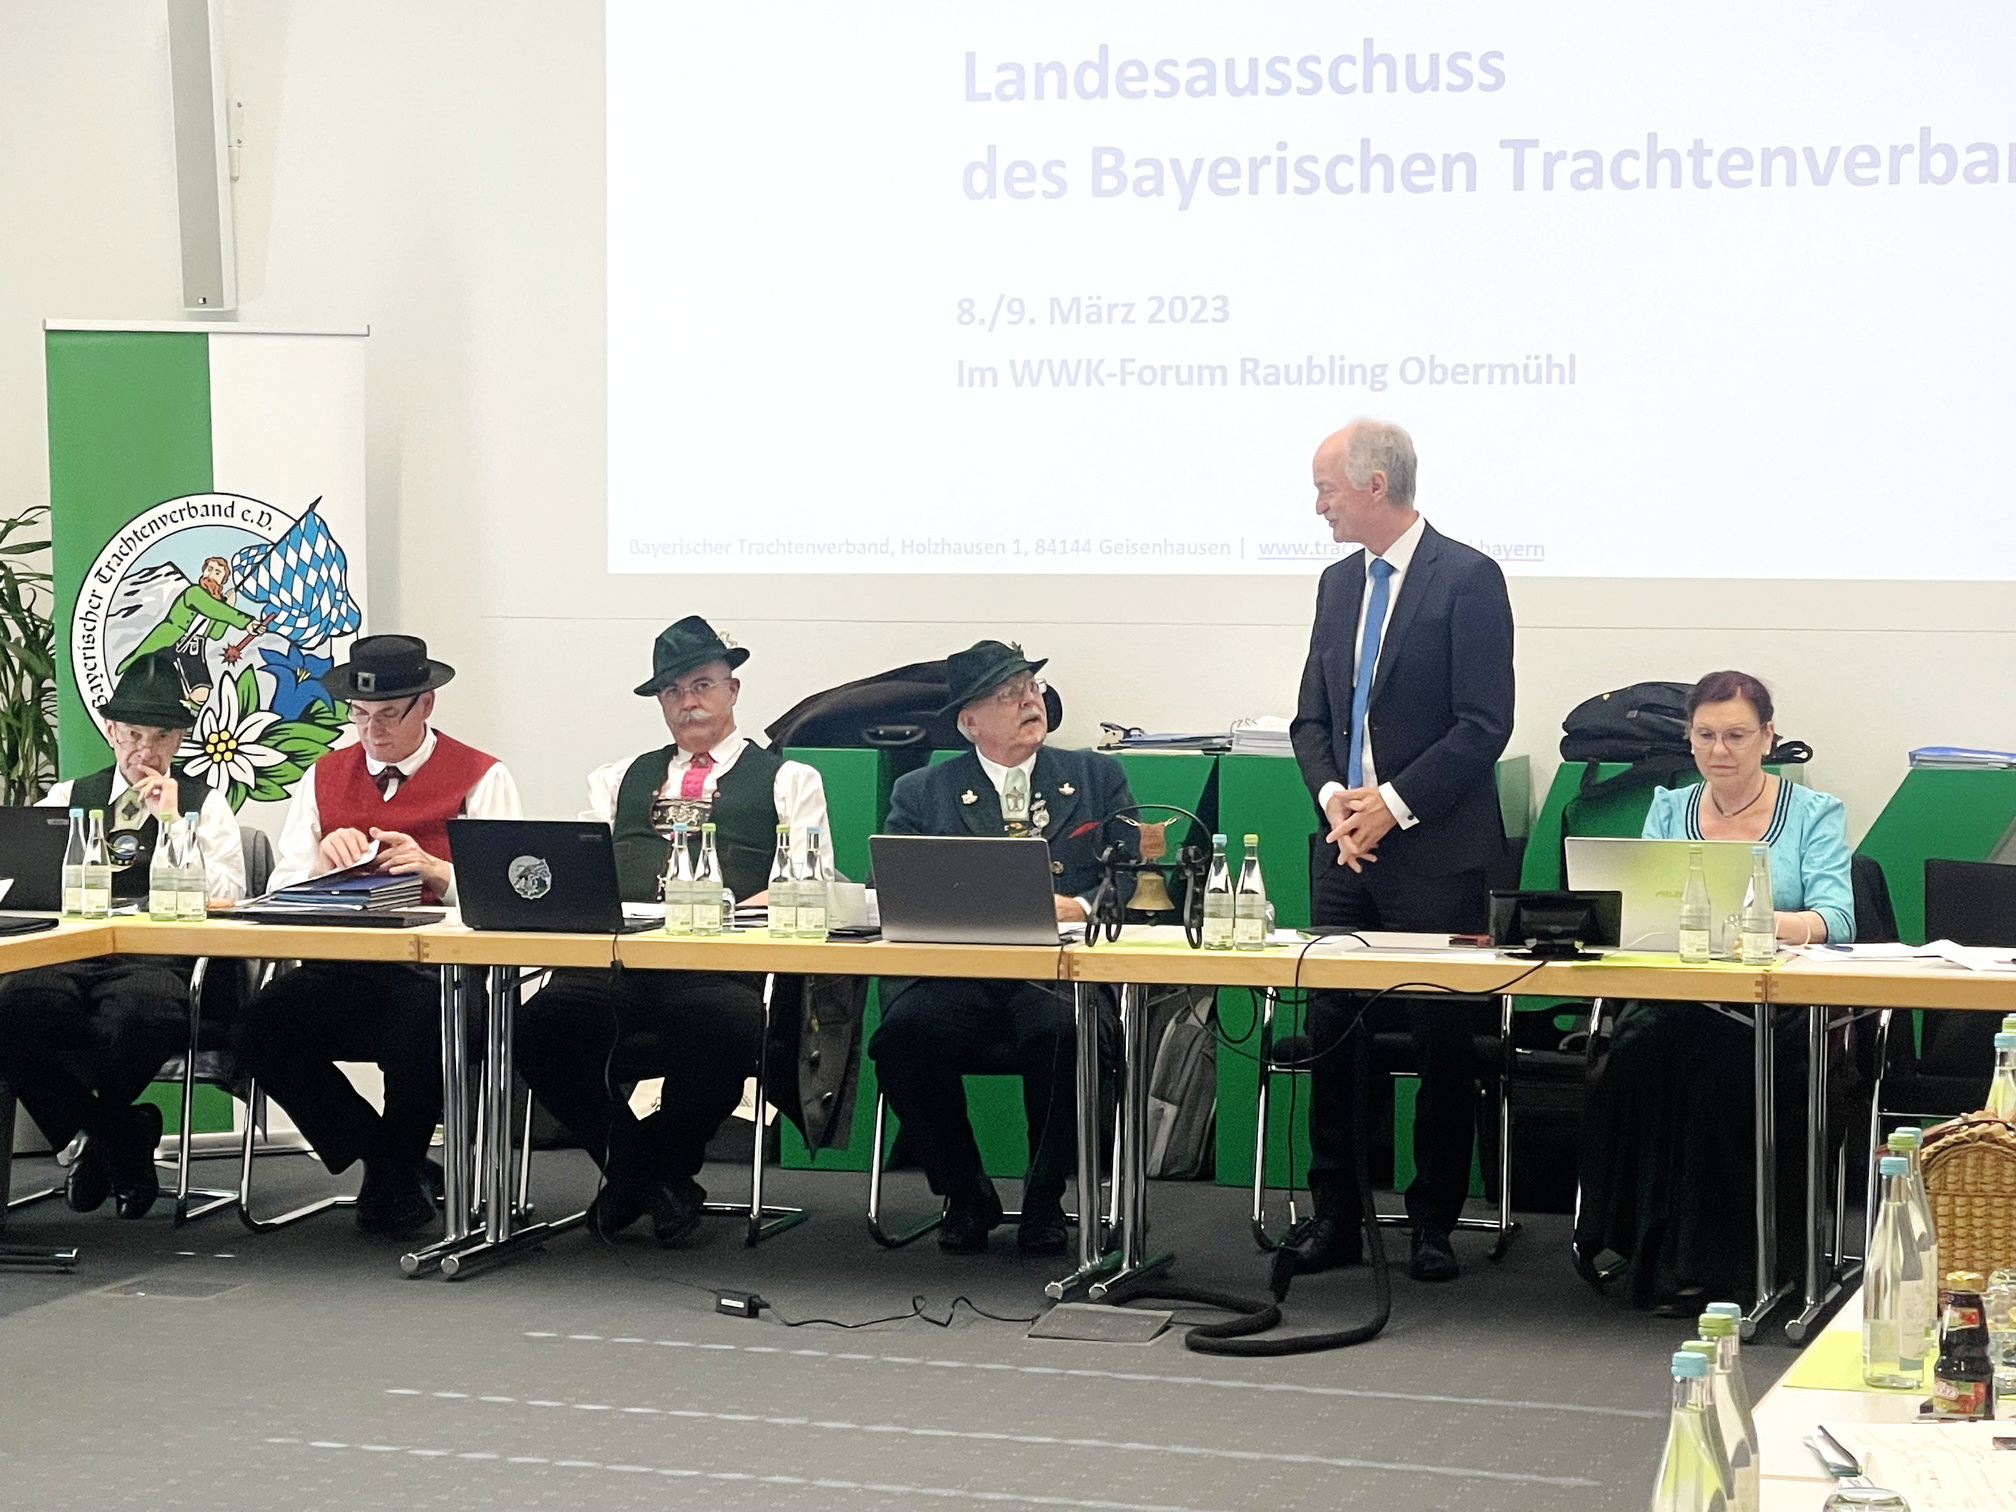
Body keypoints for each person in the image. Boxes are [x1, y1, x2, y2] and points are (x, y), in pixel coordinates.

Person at [514, 616, 860, 1245]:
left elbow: (809, 881)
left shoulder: (788, 779)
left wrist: (734, 908)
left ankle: (644, 1175)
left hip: (716, 967)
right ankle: (644, 1174)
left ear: (733, 690)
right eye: (672, 691)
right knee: (539, 1027)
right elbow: (584, 871)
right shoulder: (617, 777)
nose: (687, 701)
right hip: (614, 965)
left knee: (727, 1025)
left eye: (701, 685)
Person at [1287, 420, 1516, 1283]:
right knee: (1333, 1038)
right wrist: (1336, 805)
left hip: (1436, 855)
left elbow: (1483, 725)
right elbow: (1311, 718)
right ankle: (1336, 1215)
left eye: (1327, 489)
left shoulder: (1468, 578)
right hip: (1345, 852)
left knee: (1439, 1044)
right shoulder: (1336, 584)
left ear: (1374, 484)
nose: (1319, 506)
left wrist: (1392, 805)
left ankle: (1432, 1222)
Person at [1575, 669, 1854, 1312]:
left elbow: (1837, 919)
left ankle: (1720, 1266)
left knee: (1721, 1069)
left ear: (1767, 737)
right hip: (1682, 998)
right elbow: (1639, 906)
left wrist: (1754, 919)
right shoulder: (1668, 808)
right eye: (1705, 735)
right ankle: (1647, 1249)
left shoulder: (1814, 813)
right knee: (1638, 1054)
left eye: (1735, 735)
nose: (1719, 749)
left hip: (1775, 1009)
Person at [234, 634, 520, 1237]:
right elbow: (280, 891)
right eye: (360, 716)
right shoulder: (323, 775)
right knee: (260, 1027)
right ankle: (391, 1162)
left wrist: (438, 872)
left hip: (443, 973)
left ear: (426, 705)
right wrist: (319, 866)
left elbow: (509, 898)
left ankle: (393, 1173)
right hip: (343, 968)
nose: (372, 731)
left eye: (388, 715)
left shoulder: (481, 776)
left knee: (421, 1024)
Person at [869, 640, 1133, 1256]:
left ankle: (1045, 1198)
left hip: (1058, 972)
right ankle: (964, 1192)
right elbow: (891, 888)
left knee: (1064, 1033)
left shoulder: (1096, 777)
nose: (1028, 701)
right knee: (903, 1037)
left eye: (1030, 688)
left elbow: (1131, 876)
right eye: (1007, 694)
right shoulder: (922, 791)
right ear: (970, 721)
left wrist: (1083, 905)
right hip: (955, 974)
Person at [0, 650, 245, 1218]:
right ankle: (119, 1135)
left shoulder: (205, 805)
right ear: (110, 731)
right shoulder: (67, 797)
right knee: (13, 1015)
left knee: (140, 1016)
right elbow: (24, 884)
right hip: (67, 955)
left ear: (180, 740)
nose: (145, 751)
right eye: (133, 734)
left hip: (158, 958)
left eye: (160, 737)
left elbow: (229, 894)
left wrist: (173, 824)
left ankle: (100, 1140)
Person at [117, 555, 263, 707]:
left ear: (223, 580)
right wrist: (246, 622)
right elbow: (210, 608)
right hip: (171, 641)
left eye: (217, 573)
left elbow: (215, 634)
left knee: (202, 691)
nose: (211, 575)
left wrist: (229, 606)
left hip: (194, 648)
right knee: (153, 678)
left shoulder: (219, 606)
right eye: (209, 569)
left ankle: (186, 717)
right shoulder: (194, 592)